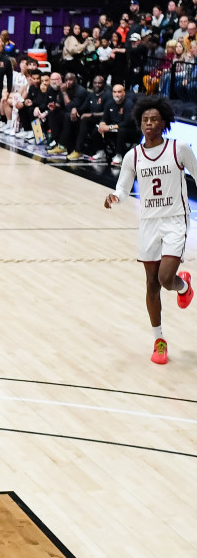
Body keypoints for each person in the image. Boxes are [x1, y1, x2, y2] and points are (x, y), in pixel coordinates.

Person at [103, 96, 194, 365]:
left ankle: (183, 285)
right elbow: (122, 187)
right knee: (152, 284)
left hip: (176, 219)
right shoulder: (134, 155)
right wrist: (115, 198)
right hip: (149, 223)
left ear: (164, 122)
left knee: (167, 278)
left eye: (154, 119)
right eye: (145, 120)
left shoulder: (180, 148)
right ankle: (159, 340)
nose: (149, 123)